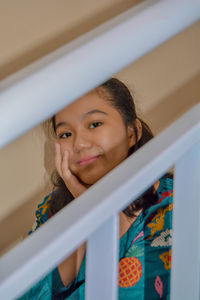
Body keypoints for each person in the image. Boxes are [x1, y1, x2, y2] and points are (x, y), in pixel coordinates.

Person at [19, 78, 173, 299]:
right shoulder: (50, 209)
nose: (79, 144)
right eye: (65, 134)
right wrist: (86, 207)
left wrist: (100, 213)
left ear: (132, 133)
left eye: (94, 124)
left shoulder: (173, 209)